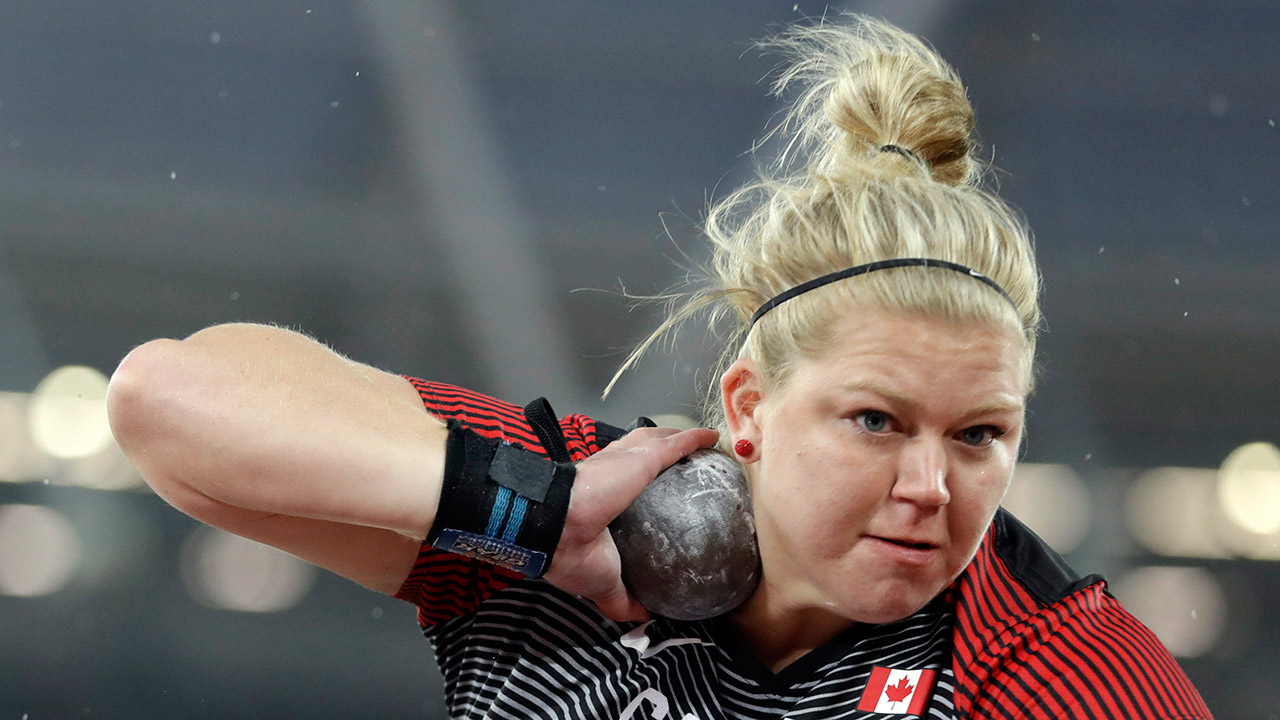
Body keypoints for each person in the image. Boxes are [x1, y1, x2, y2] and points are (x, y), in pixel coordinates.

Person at [106, 15, 1212, 720]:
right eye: (875, 421)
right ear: (748, 408)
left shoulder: (1049, 670)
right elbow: (168, 403)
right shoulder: (573, 504)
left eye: (979, 435)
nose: (930, 487)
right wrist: (544, 526)